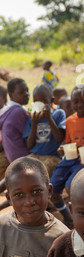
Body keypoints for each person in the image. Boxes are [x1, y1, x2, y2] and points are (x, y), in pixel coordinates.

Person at [0, 78, 30, 215]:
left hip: (11, 155)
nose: (27, 94)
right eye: (22, 92)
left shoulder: (8, 111)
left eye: (27, 91)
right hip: (21, 155)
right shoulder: (19, 112)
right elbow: (29, 139)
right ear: (11, 95)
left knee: (11, 180)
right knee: (23, 187)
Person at [49, 84, 84, 228]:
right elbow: (68, 142)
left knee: (72, 187)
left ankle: (79, 222)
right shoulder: (70, 121)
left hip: (82, 163)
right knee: (52, 189)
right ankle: (68, 217)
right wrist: (63, 149)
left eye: (83, 101)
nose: (80, 105)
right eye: (76, 102)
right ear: (72, 103)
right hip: (70, 159)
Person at [25, 83, 66, 178]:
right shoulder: (31, 118)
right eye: (36, 101)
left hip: (53, 157)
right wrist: (34, 124)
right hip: (35, 155)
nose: (39, 103)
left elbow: (59, 139)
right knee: (18, 168)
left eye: (43, 100)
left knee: (40, 170)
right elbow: (29, 145)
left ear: (51, 100)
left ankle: (44, 192)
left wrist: (49, 118)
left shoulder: (58, 114)